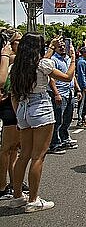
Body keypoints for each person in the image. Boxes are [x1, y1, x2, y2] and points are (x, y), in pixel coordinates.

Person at [9, 33, 75, 212]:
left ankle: (17, 196)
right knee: (38, 156)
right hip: (40, 106)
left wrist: (19, 116)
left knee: (23, 156)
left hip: (22, 107)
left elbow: (14, 96)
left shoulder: (16, 66)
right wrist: (73, 60)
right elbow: (67, 77)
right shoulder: (42, 64)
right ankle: (33, 199)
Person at [0, 31, 28, 200]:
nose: (20, 44)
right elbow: (2, 82)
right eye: (17, 41)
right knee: (6, 149)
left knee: (14, 149)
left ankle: (13, 182)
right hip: (7, 107)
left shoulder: (14, 61)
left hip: (14, 105)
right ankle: (2, 186)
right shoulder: (7, 59)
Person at [47, 40, 79, 154]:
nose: (62, 48)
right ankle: (54, 143)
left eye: (63, 46)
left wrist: (77, 89)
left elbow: (72, 75)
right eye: (59, 46)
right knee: (57, 119)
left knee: (67, 118)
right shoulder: (53, 60)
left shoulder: (68, 59)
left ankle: (64, 138)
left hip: (69, 92)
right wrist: (56, 94)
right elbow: (51, 78)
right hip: (59, 92)